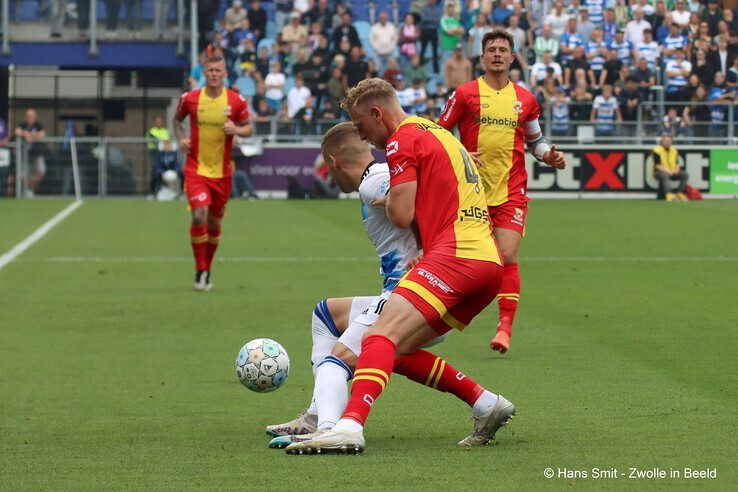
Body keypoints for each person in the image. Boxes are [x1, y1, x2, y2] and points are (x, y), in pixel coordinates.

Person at [286, 78, 515, 455]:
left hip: (455, 255)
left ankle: (348, 426)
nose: (365, 137)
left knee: (378, 337)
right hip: (485, 260)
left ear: (377, 114)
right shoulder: (438, 132)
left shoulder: (401, 140)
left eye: (362, 126)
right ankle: (487, 404)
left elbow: (401, 212)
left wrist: (400, 207)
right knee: (398, 351)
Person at [438, 28, 566, 353]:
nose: (497, 53)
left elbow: (536, 142)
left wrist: (549, 156)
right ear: (482, 58)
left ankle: (504, 327)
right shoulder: (465, 94)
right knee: (470, 260)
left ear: (512, 56)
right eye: (491, 49)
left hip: (511, 191)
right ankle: (447, 314)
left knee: (507, 255)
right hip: (471, 193)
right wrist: (461, 152)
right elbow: (438, 135)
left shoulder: (526, 99)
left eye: (503, 49)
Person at [173, 56, 253, 292]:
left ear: (225, 72)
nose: (214, 74)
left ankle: (207, 267)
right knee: (199, 216)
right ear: (204, 73)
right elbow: (176, 120)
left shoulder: (236, 101)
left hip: (222, 173)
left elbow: (248, 128)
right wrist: (180, 138)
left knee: (214, 222)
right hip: (195, 169)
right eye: (210, 70)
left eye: (218, 69)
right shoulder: (190, 99)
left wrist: (236, 129)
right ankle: (200, 270)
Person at [14, 109, 47, 197]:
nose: (30, 118)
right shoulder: (23, 125)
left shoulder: (38, 125)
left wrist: (31, 135)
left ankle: (29, 189)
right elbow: (17, 131)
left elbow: (42, 134)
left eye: (31, 116)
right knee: (23, 175)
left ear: (35, 117)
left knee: (41, 171)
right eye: (28, 116)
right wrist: (26, 135)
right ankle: (26, 191)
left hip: (37, 154)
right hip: (25, 156)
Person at [651, 134, 688, 201]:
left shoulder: (674, 150)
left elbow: (677, 163)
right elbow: (657, 165)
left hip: (672, 171)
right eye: (666, 141)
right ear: (662, 141)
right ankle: (668, 194)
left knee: (684, 174)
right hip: (659, 172)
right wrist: (668, 171)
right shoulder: (657, 150)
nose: (667, 143)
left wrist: (676, 170)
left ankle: (679, 193)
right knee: (665, 176)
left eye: (669, 141)